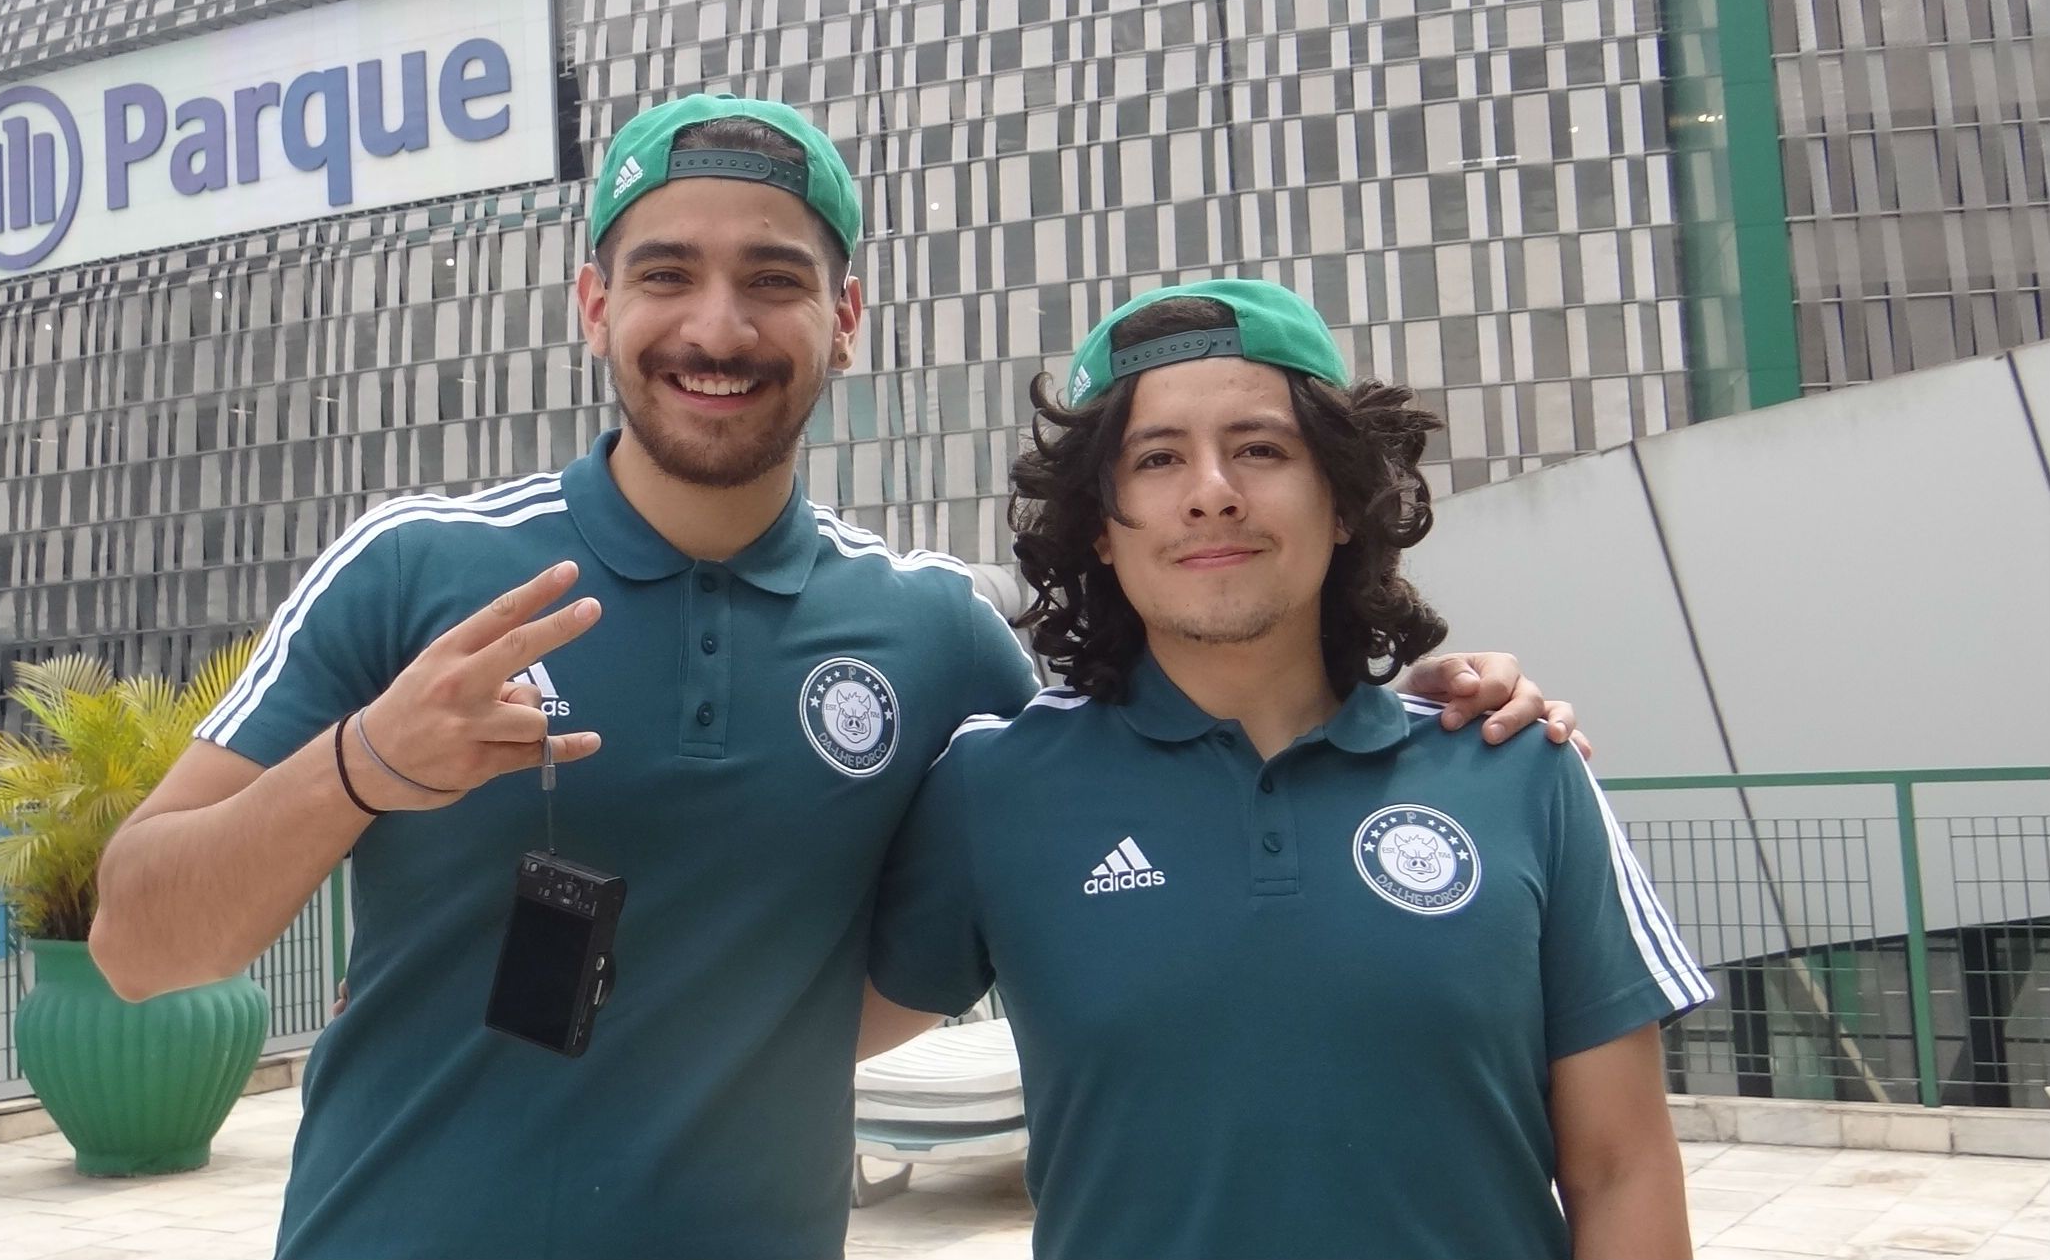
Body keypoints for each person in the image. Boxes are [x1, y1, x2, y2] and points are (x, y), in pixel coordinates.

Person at [89, 95, 1572, 1259]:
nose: (717, 327)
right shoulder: (413, 567)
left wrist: (1422, 703)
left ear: (844, 320)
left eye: (773, 280)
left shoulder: (937, 636)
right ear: (592, 304)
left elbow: (1192, 739)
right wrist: (360, 765)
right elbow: (137, 947)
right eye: (666, 274)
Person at [870, 280, 1712, 1260]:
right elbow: (773, 1031)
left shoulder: (1520, 767)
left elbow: (1620, 1167)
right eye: (1157, 457)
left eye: (1261, 448)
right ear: (1100, 523)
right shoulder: (993, 786)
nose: (1212, 489)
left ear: (1343, 500)